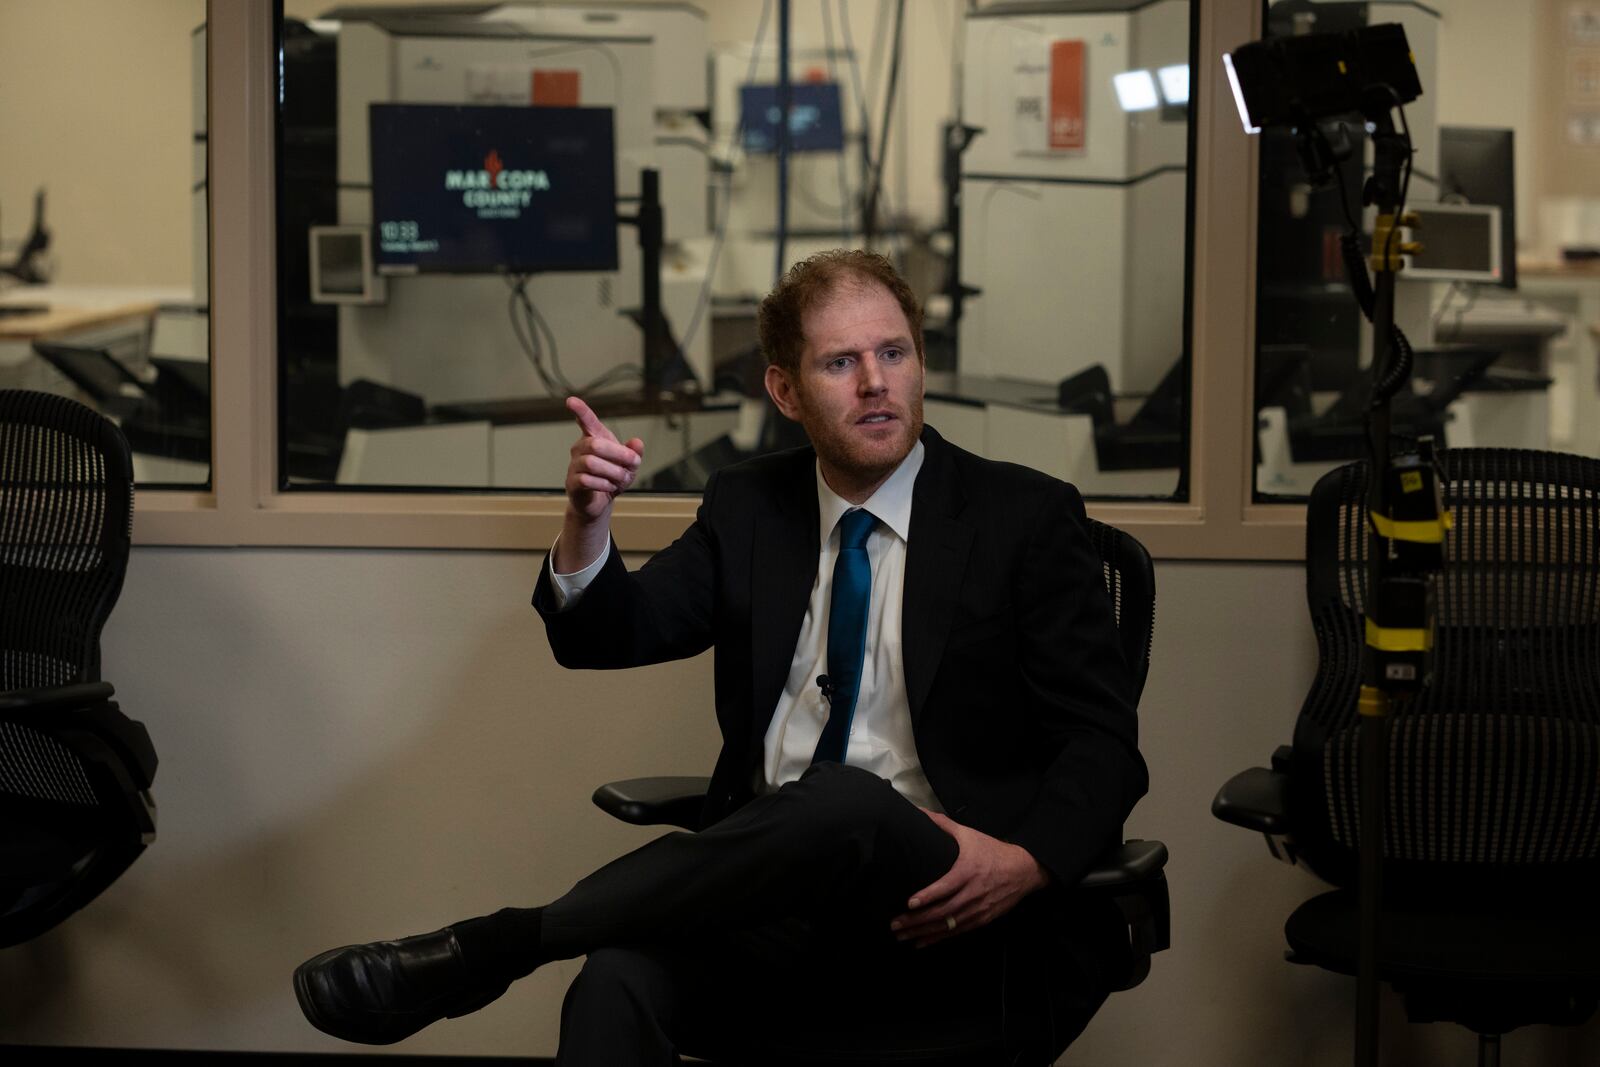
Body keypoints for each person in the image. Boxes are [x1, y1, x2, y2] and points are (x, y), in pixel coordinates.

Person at [293, 249, 1148, 1063]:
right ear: (785, 389)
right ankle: (533, 945)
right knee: (614, 982)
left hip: (946, 903)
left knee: (843, 799)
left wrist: (1025, 860)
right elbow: (609, 635)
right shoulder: (749, 507)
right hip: (772, 907)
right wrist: (588, 523)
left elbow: (1103, 744)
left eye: (894, 352)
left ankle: (504, 940)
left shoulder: (1022, 518)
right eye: (840, 363)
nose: (877, 382)